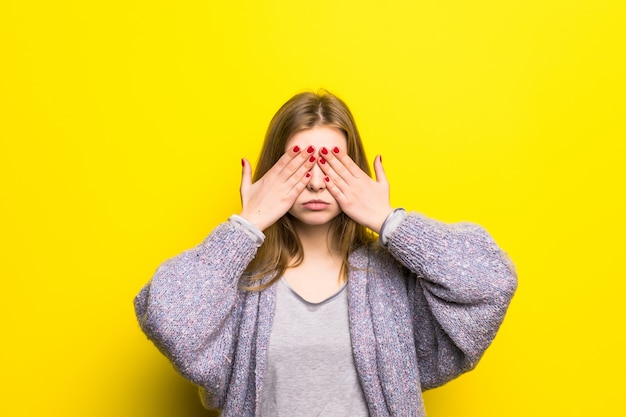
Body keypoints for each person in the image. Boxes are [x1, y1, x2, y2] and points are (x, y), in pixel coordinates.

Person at [134, 90, 517, 417]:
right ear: (273, 172)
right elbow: (168, 319)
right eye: (301, 166)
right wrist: (246, 226)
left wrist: (390, 222)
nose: (316, 182)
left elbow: (491, 282)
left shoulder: (392, 282)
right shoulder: (240, 283)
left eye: (331, 165)